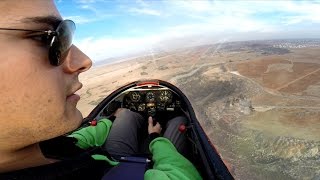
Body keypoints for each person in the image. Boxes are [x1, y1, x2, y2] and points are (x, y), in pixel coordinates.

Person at [0, 1, 201, 179]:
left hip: (113, 158)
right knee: (178, 121)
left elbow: (81, 139)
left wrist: (112, 118)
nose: (84, 61)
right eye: (43, 38)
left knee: (128, 115)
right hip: (128, 164)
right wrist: (155, 138)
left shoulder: (49, 146)